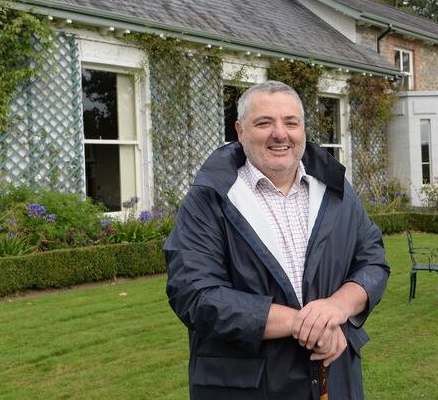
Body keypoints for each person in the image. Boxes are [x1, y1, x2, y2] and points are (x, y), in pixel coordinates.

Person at [165, 80, 390, 399]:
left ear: (303, 129)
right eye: (264, 123)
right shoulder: (209, 199)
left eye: (290, 122)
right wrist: (306, 323)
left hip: (334, 379)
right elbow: (194, 294)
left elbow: (373, 262)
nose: (280, 134)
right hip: (248, 387)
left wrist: (338, 306)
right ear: (240, 131)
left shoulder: (337, 191)